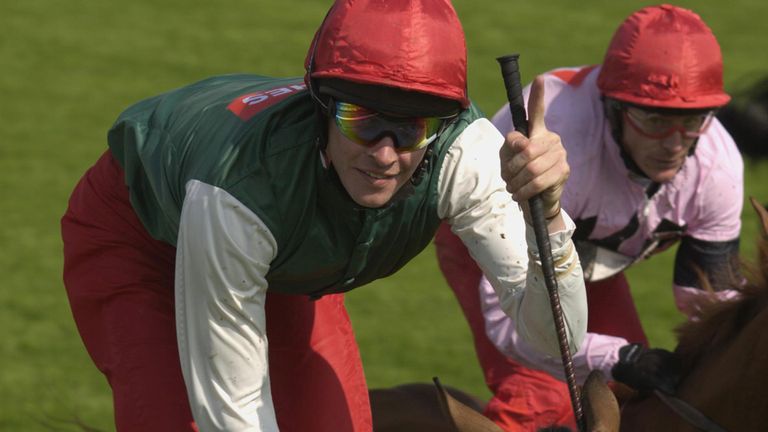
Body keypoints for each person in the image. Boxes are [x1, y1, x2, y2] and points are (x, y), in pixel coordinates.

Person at [60, 0, 588, 430]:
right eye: (359, 119)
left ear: (442, 125)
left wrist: (551, 218)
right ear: (319, 105)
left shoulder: (468, 155)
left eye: (409, 130)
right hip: (142, 235)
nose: (384, 155)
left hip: (285, 247)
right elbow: (235, 414)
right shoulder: (240, 194)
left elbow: (551, 337)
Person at [435, 4, 743, 431]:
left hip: (585, 259)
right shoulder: (566, 140)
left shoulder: (717, 166)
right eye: (655, 121)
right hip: (490, 241)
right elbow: (517, 329)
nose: (674, 144)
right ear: (613, 106)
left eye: (690, 122)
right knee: (542, 397)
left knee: (636, 397)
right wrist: (619, 356)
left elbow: (713, 309)